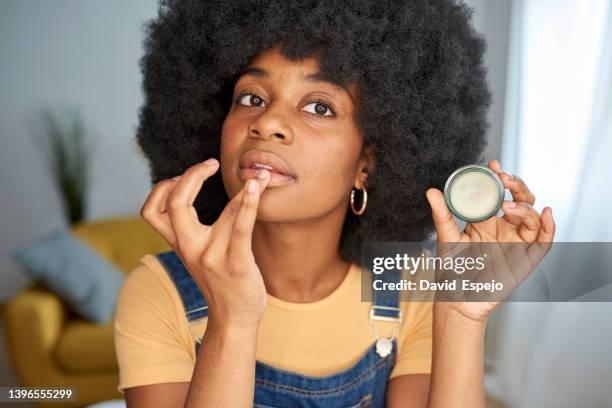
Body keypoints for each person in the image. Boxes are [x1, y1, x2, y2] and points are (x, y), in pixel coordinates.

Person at [114, 0, 555, 406]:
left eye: (319, 107)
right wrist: (231, 317)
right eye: (251, 98)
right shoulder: (162, 293)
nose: (267, 123)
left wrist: (461, 314)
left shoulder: (412, 289)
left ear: (367, 162)